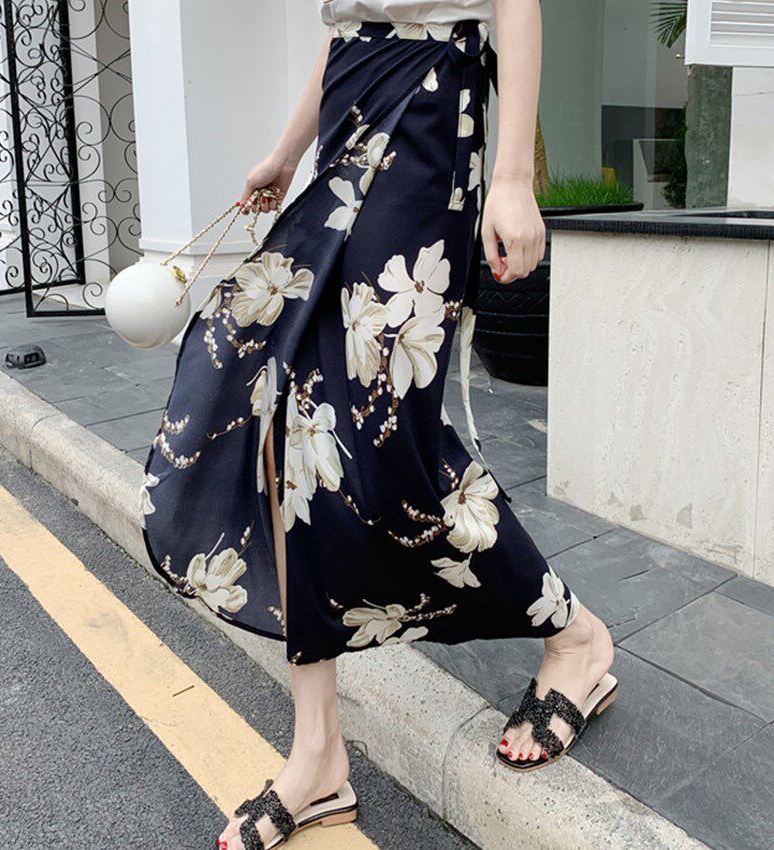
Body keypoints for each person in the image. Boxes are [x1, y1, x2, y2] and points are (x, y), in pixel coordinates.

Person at [139, 2, 616, 848]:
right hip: (350, 109)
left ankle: (575, 638)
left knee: (384, 435)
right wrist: (287, 152)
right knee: (288, 419)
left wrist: (513, 179)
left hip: (430, 110)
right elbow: (346, 22)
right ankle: (316, 751)